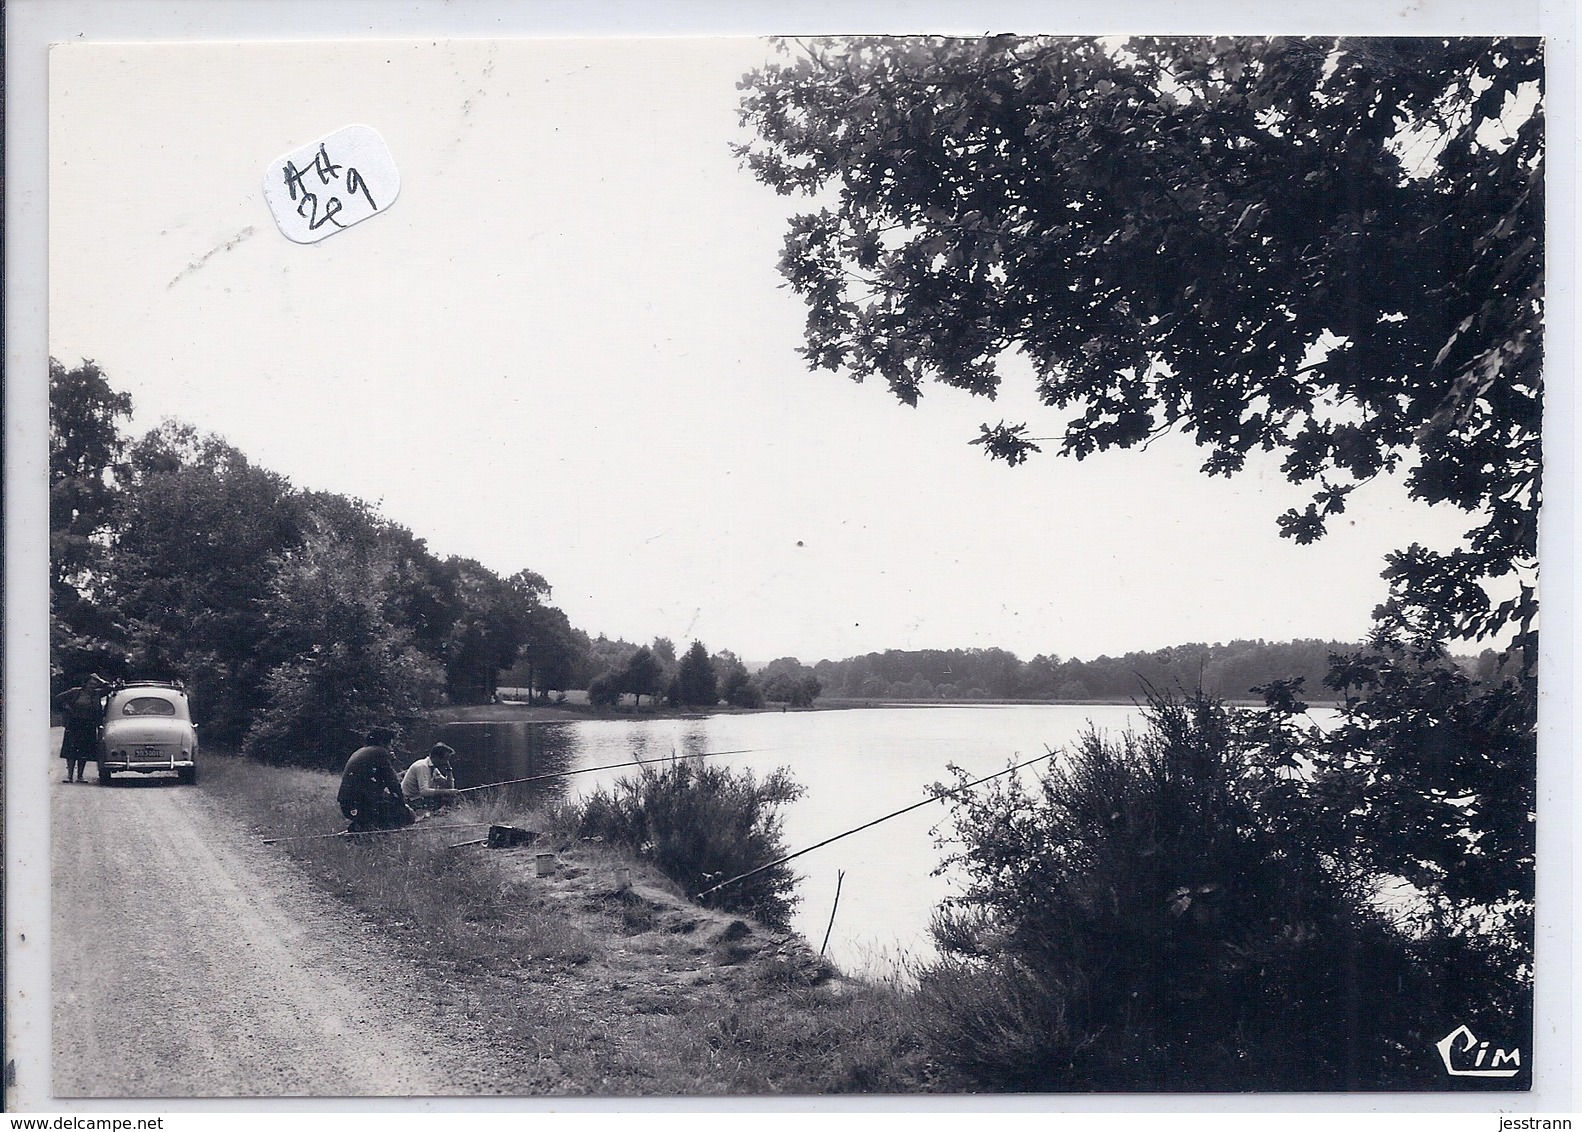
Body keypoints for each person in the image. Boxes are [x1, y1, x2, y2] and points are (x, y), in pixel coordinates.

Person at [337, 727, 416, 832]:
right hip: (361, 804)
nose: (390, 749)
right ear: (382, 743)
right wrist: (403, 804)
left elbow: (378, 782)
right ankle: (368, 828)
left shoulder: (362, 751)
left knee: (386, 804)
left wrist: (389, 762)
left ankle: (363, 826)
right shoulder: (380, 752)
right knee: (406, 815)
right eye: (390, 745)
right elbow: (393, 784)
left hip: (347, 805)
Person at [56, 674, 108, 783]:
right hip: (74, 723)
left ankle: (80, 776)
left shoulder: (97, 693)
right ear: (85, 683)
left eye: (94, 684)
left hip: (89, 724)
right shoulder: (75, 692)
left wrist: (100, 680)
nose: (92, 686)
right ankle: (69, 776)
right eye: (90, 683)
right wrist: (66, 706)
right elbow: (58, 698)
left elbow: (110, 688)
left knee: (83, 751)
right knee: (71, 750)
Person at [402, 741, 460, 814]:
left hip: (419, 799)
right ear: (436, 757)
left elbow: (449, 786)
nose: (446, 762)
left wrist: (449, 770)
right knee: (446, 797)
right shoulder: (422, 766)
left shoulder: (433, 769)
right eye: (445, 759)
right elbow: (423, 791)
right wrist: (447, 791)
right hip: (410, 801)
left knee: (450, 797)